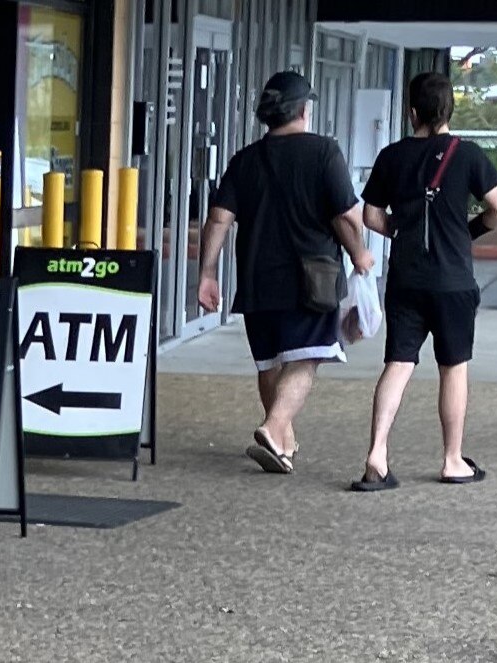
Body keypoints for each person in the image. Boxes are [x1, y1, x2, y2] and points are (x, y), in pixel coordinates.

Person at [199, 71, 374, 474]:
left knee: (269, 363)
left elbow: (218, 219)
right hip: (310, 281)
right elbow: (346, 216)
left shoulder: (244, 160)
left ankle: (284, 442)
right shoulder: (323, 152)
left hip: (257, 281)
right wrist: (360, 254)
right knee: (307, 358)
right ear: (303, 110)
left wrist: (207, 273)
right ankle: (275, 427)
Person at [351, 72, 497, 491]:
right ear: (448, 112)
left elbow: (370, 216)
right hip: (452, 280)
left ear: (411, 113)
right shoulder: (468, 154)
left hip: (407, 277)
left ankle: (377, 453)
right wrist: (468, 231)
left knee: (399, 363)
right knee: (453, 367)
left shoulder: (391, 156)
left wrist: (401, 229)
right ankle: (452, 459)